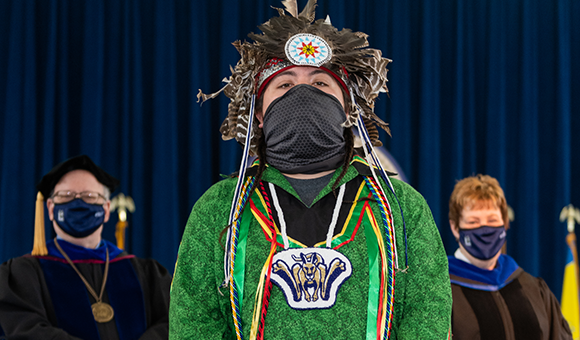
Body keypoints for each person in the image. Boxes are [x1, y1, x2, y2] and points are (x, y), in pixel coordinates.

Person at [170, 1, 452, 339]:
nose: (302, 93)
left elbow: (427, 316)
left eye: (320, 84)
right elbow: (194, 323)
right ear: (258, 114)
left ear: (348, 108)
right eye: (285, 85)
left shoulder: (402, 208)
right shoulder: (218, 210)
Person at [0, 155, 171, 340]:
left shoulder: (145, 273)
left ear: (106, 210)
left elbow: (172, 324)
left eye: (90, 196)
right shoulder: (24, 274)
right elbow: (25, 330)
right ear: (50, 208)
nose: (78, 202)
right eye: (66, 196)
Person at [447, 174, 572, 340]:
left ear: (505, 223)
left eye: (492, 220)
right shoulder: (441, 291)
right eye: (473, 222)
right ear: (455, 227)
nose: (484, 229)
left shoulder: (533, 289)